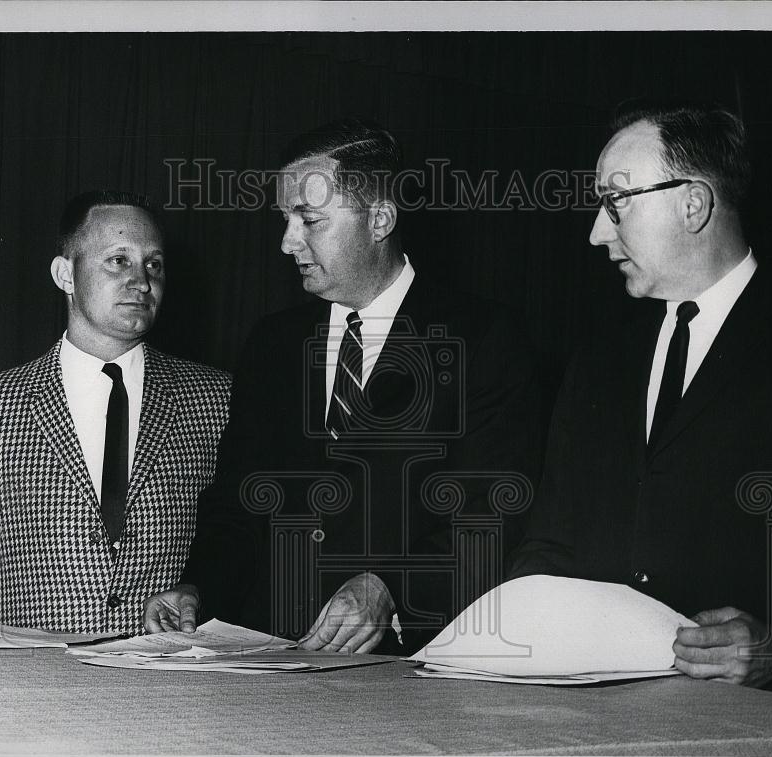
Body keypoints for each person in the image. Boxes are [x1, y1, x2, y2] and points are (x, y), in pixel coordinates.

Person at [145, 118, 544, 653]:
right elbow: (236, 505)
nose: (288, 242)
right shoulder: (271, 344)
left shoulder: (487, 338)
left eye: (309, 220)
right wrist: (196, 586)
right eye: (286, 219)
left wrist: (391, 590)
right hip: (264, 659)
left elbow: (495, 513)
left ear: (379, 218)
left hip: (408, 667)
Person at [509, 99, 772, 703]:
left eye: (615, 202)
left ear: (692, 204)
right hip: (587, 712)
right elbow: (551, 539)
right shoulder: (595, 357)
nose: (596, 231)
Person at [0, 190, 232, 634]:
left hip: (174, 686)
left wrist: (202, 590)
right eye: (118, 260)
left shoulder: (215, 398)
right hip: (33, 687)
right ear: (65, 274)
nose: (141, 281)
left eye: (153, 264)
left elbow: (238, 542)